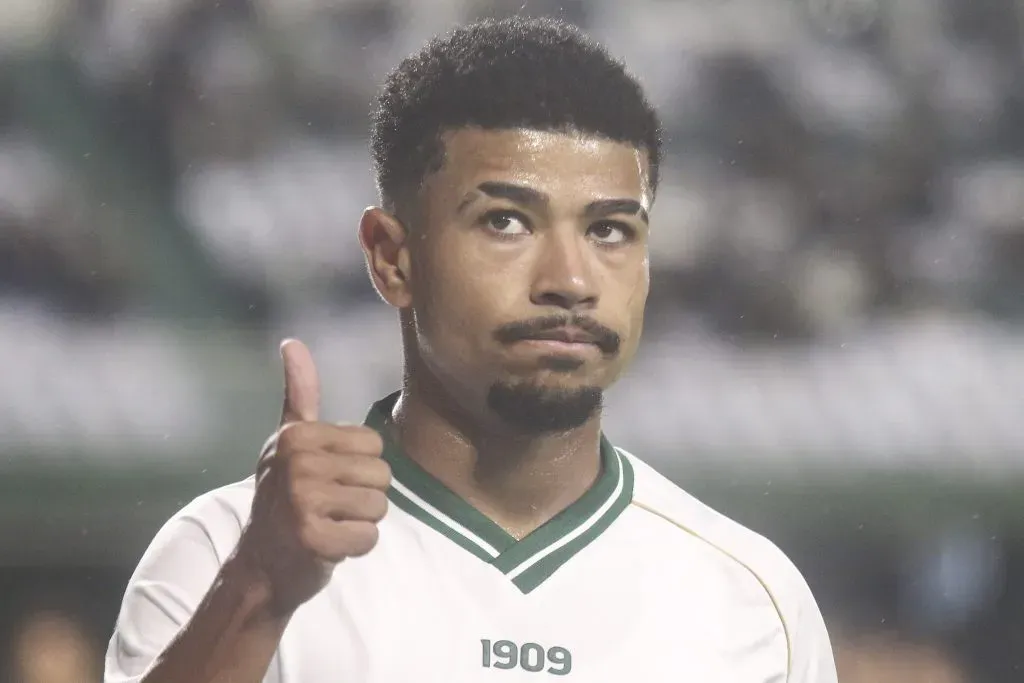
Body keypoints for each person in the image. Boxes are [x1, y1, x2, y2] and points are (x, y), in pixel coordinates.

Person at [104, 16, 837, 683]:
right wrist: (259, 591)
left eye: (610, 230)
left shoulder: (751, 601)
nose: (571, 280)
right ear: (392, 258)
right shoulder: (223, 552)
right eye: (507, 222)